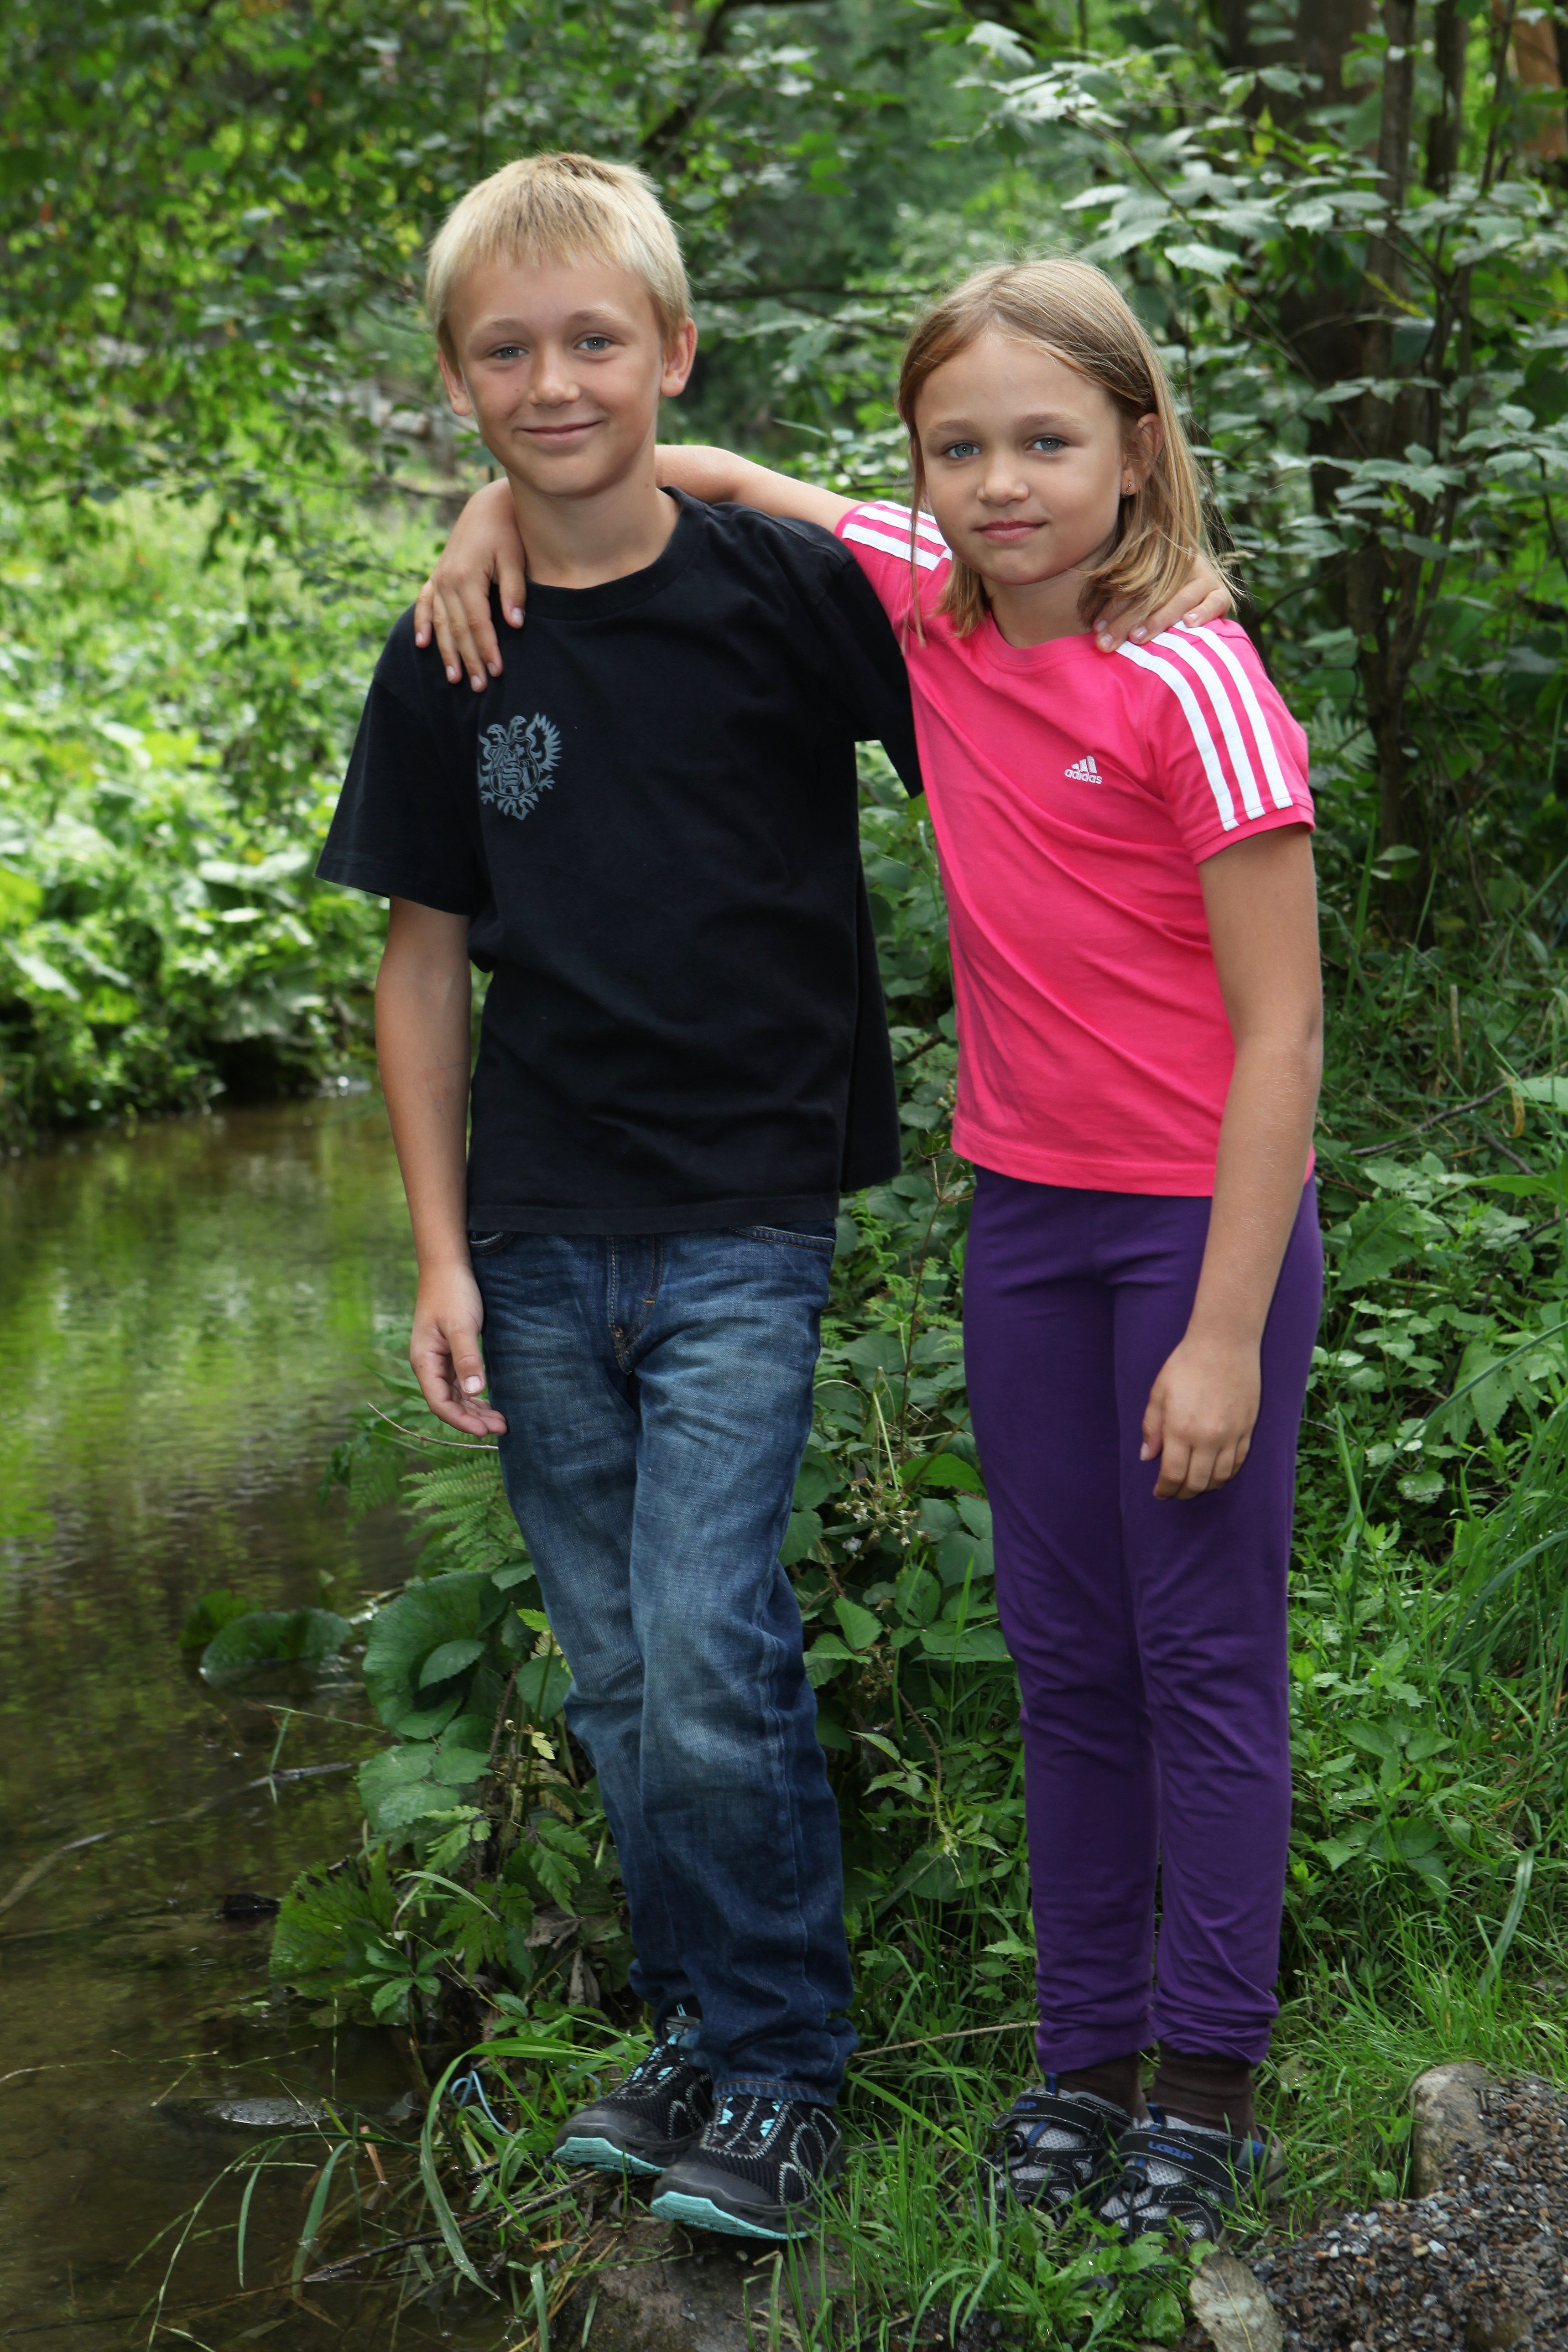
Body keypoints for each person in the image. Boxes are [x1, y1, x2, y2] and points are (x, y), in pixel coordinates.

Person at [418, 256, 1323, 2248]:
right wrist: (490, 505)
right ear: (919, 469)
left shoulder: (1194, 677)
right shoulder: (926, 604)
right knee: (1064, 1661)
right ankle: (1080, 2066)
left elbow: (1283, 1033)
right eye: (957, 448)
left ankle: (1204, 2085)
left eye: (1046, 443)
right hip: (1025, 1221)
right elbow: (707, 475)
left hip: (1198, 1232)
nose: (1001, 484)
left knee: (1199, 1658)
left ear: (1135, 450)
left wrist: (1227, 1329)